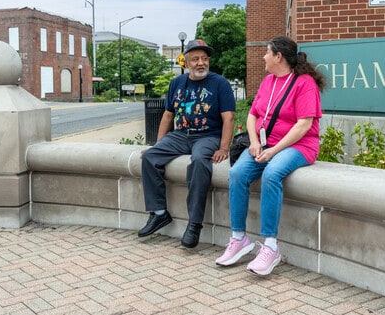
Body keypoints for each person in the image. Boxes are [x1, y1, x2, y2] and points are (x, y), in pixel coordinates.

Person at [215, 36, 327, 275]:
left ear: (279, 56)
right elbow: (253, 115)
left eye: (267, 52)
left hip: (299, 146)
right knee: (236, 173)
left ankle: (270, 246)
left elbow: (303, 125)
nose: (263, 56)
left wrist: (274, 151)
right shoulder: (268, 81)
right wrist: (255, 142)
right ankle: (238, 239)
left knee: (272, 173)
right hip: (265, 145)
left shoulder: (304, 83)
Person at [138, 39, 236, 248]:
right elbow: (167, 115)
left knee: (200, 161)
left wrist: (223, 148)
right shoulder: (177, 83)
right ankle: (159, 213)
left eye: (204, 58)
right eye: (195, 59)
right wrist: (158, 145)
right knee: (149, 157)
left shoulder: (220, 84)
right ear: (186, 63)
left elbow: (228, 118)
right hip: (181, 134)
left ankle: (194, 224)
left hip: (208, 135)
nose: (201, 63)